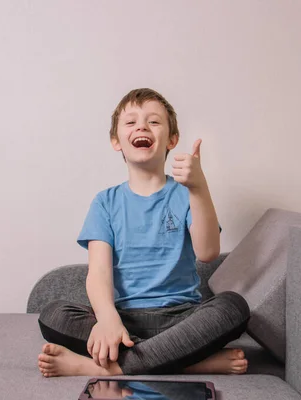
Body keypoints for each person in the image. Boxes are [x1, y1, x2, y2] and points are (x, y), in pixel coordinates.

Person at [37, 88, 250, 378]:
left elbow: (208, 252)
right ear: (116, 141)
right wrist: (108, 318)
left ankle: (101, 367)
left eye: (153, 121)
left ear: (171, 140)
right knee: (52, 314)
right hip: (123, 322)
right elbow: (98, 272)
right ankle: (192, 361)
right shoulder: (105, 202)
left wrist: (199, 187)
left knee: (233, 307)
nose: (142, 126)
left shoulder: (187, 195)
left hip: (182, 318)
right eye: (131, 122)